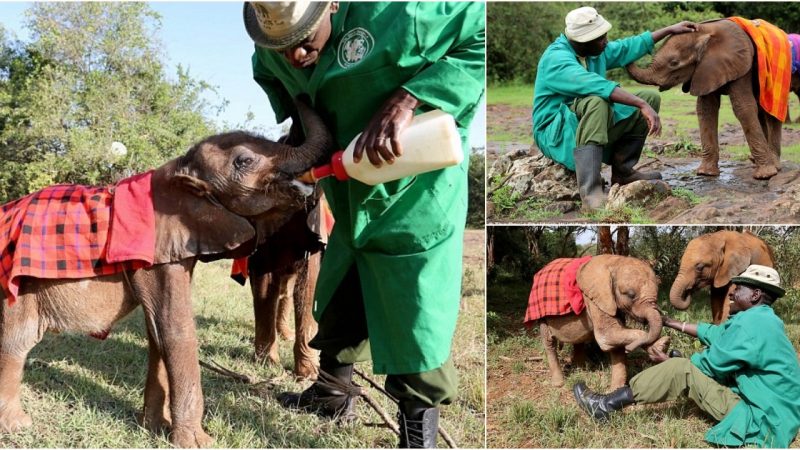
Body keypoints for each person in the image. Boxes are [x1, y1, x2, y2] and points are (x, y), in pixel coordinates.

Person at [243, 2, 485, 448]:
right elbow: (288, 90)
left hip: (418, 184)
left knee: (415, 304)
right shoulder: (271, 39)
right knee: (342, 282)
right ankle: (331, 395)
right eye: (282, 47)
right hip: (349, 182)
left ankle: (417, 435)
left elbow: (481, 35)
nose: (295, 56)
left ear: (332, 4)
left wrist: (411, 96)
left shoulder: (404, 11)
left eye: (304, 40)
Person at [573, 264, 800, 448]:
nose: (732, 291)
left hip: (762, 420)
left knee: (681, 368)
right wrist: (671, 322)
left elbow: (710, 365)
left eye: (739, 288)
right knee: (686, 364)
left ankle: (605, 405)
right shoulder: (763, 319)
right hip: (778, 414)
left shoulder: (752, 324)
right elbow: (717, 334)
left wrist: (672, 365)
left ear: (756, 295)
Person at [532, 6, 698, 212]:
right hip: (554, 133)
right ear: (583, 41)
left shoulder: (593, 52)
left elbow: (626, 47)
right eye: (600, 38)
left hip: (584, 124)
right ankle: (591, 193)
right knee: (598, 101)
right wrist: (640, 105)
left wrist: (668, 30)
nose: (606, 41)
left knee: (650, 97)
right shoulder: (556, 60)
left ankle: (623, 171)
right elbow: (595, 85)